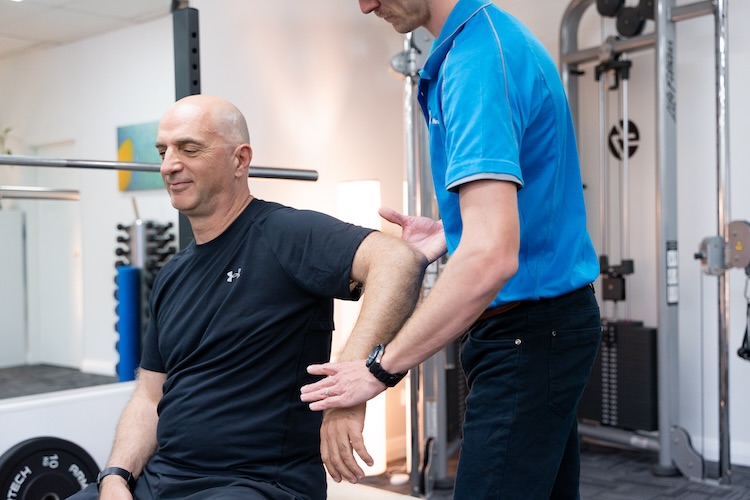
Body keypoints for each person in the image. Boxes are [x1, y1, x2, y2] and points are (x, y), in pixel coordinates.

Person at [300, 1, 602, 498]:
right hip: (544, 327)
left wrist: (379, 368)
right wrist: (454, 231)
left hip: (529, 333)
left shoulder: (476, 65)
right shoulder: (484, 43)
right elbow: (513, 210)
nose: (365, 5)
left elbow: (491, 258)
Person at [68, 94, 428, 500]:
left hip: (255, 485)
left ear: (240, 160)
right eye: (163, 151)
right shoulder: (171, 275)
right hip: (161, 480)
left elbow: (397, 261)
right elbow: (150, 395)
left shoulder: (284, 233)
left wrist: (347, 388)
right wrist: (116, 476)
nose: (169, 164)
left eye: (189, 148)